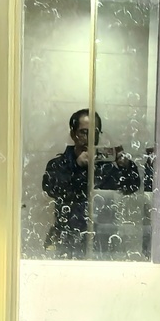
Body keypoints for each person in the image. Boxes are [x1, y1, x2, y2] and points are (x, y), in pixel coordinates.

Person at [43, 109, 145, 255]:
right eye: (83, 132)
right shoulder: (58, 165)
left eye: (94, 133)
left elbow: (131, 187)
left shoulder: (106, 167)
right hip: (68, 240)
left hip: (102, 241)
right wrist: (77, 166)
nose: (89, 138)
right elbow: (52, 189)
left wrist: (127, 166)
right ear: (73, 134)